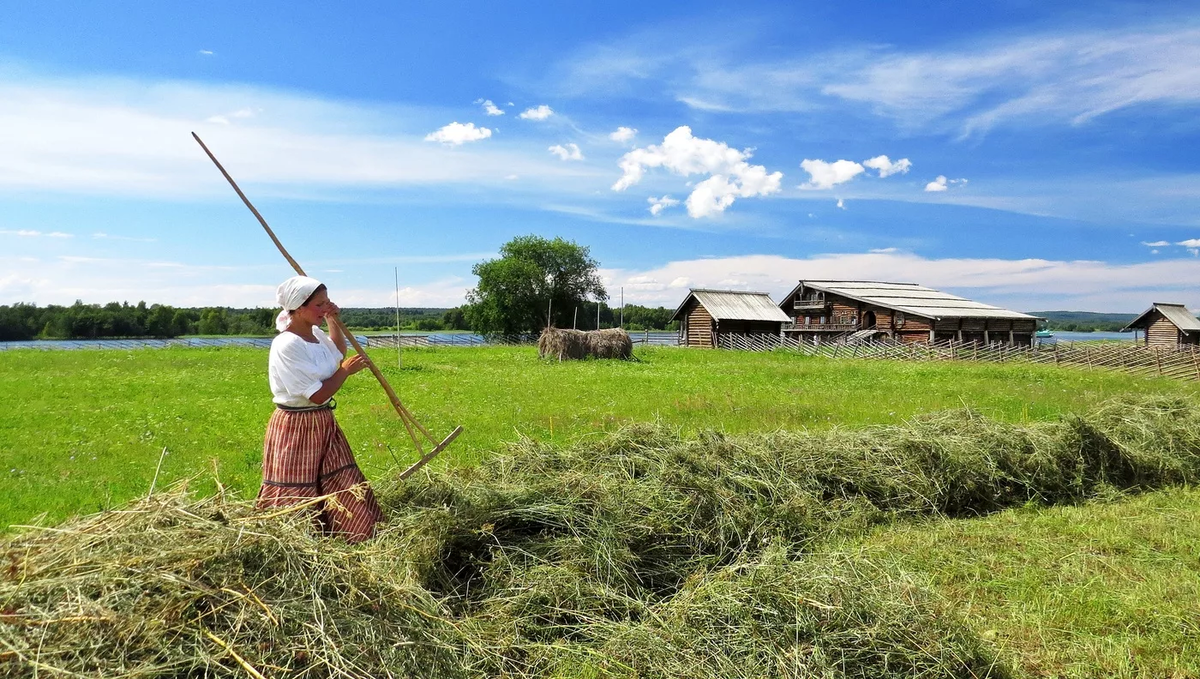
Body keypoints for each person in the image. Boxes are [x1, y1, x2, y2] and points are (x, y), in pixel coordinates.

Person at [257, 275, 384, 543]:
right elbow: (317, 394)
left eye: (327, 302)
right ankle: (295, 543)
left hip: (322, 422)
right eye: (319, 305)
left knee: (340, 476)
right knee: (297, 486)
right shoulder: (287, 344)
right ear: (299, 308)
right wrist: (346, 372)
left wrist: (332, 319)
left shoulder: (313, 334)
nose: (324, 307)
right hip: (296, 426)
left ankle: (356, 535)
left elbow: (336, 351)